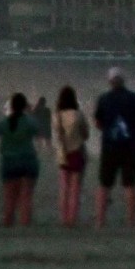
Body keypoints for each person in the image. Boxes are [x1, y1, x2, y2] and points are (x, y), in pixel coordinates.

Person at [94, 68, 135, 228]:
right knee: (130, 185)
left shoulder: (103, 99)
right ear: (124, 81)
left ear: (110, 81)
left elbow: (98, 123)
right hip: (130, 147)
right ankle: (131, 222)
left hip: (109, 146)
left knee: (104, 185)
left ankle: (100, 221)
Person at [0, 93, 40, 227]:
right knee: (26, 197)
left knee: (9, 197)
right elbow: (37, 129)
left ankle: (8, 224)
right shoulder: (29, 121)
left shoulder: (5, 122)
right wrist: (29, 113)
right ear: (25, 106)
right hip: (28, 161)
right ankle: (25, 225)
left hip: (9, 161)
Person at [52, 86, 88, 228]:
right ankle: (72, 219)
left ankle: (64, 218)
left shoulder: (57, 115)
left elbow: (58, 134)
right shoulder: (78, 115)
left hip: (63, 154)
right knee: (75, 190)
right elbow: (86, 135)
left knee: (63, 189)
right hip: (77, 152)